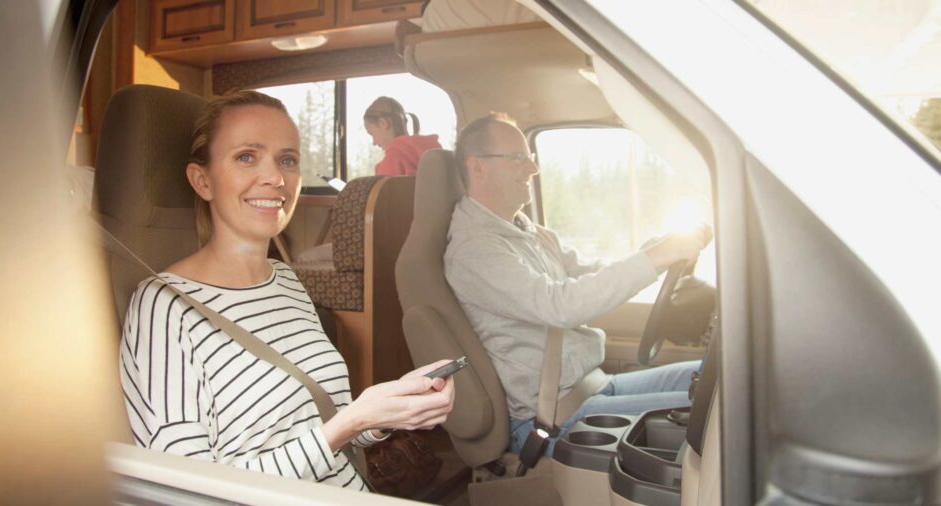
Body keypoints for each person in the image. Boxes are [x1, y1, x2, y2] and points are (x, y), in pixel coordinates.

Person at [119, 91, 455, 491]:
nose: (276, 179)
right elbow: (189, 489)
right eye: (247, 156)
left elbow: (327, 427)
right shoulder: (163, 307)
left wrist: (385, 413)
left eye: (287, 160)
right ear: (202, 180)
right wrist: (353, 421)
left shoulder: (287, 281)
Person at [443, 113, 711, 455]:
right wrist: (656, 257)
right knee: (716, 411)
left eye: (532, 158)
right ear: (478, 167)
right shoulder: (474, 250)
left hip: (592, 387)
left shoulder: (528, 232)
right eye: (519, 158)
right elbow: (560, 304)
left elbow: (588, 274)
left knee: (714, 379)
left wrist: (659, 251)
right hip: (553, 418)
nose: (533, 169)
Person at [364, 96, 442, 176]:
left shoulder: (391, 162)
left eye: (372, 134)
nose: (374, 142)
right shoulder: (437, 153)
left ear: (383, 123)